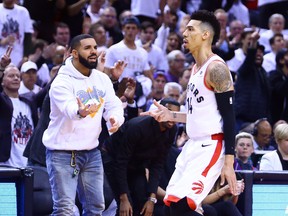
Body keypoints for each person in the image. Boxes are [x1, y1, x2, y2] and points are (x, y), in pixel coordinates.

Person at [141, 10, 238, 216]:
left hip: (211, 145)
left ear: (205, 35)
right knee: (172, 204)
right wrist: (172, 116)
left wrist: (228, 163)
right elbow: (199, 115)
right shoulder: (195, 69)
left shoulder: (217, 69)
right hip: (192, 145)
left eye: (190, 29)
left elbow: (229, 117)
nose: (184, 33)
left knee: (185, 205)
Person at [42, 34, 125, 215]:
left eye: (95, 47)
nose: (93, 51)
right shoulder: (61, 81)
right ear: (74, 53)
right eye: (87, 48)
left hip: (91, 152)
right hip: (62, 153)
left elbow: (114, 105)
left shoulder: (102, 79)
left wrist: (115, 119)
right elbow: (68, 107)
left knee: (96, 207)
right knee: (64, 209)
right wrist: (80, 112)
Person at [102, 98, 180, 216]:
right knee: (125, 206)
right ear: (159, 111)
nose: (172, 117)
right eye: (168, 111)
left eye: (176, 114)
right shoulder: (138, 126)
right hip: (113, 159)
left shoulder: (172, 130)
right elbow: (121, 162)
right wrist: (123, 198)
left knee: (143, 202)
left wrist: (151, 199)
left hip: (137, 164)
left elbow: (158, 164)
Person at [0, 64, 38, 167]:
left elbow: (46, 90)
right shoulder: (2, 102)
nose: (16, 78)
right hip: (6, 164)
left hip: (29, 165)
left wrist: (64, 65)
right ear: (2, 81)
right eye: (11, 76)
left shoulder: (29, 101)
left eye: (17, 76)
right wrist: (1, 68)